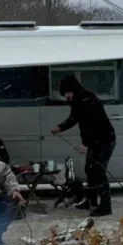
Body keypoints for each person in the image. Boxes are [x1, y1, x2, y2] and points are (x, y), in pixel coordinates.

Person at [51, 74, 116, 217]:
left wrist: (85, 144)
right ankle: (91, 201)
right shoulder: (77, 101)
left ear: (73, 89)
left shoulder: (88, 100)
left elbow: (93, 125)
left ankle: (106, 206)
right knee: (90, 170)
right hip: (94, 142)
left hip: (105, 140)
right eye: (65, 94)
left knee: (99, 172)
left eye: (67, 93)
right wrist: (60, 127)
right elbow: (74, 118)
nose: (66, 96)